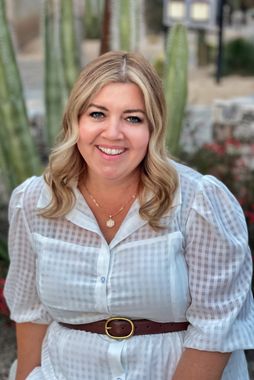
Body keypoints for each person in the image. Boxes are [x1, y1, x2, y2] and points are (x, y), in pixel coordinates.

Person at [4, 50, 254, 380]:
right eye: (97, 114)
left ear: (154, 128)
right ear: (75, 121)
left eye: (133, 118)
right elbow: (30, 314)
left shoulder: (199, 202)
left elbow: (215, 329)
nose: (113, 133)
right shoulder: (34, 202)